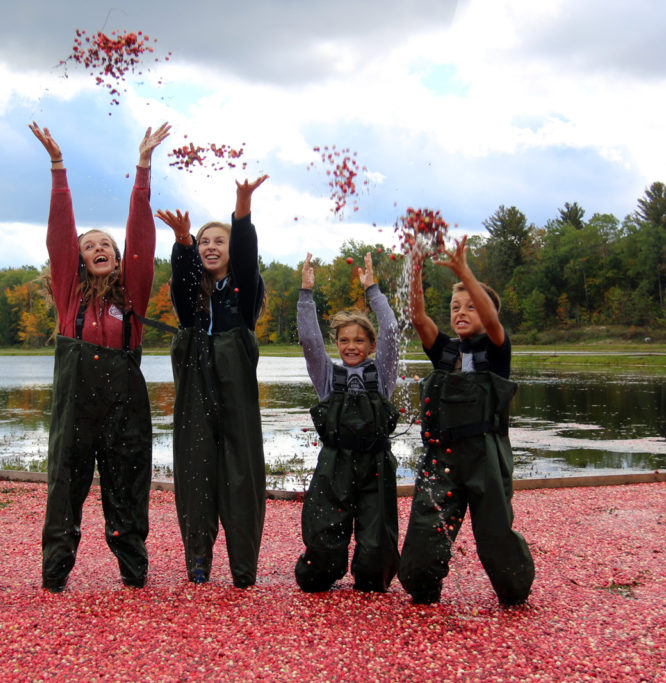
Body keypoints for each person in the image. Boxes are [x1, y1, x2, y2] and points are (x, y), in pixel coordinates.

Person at [30, 120, 170, 592]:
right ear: (80, 258)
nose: (97, 248)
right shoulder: (68, 293)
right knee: (65, 485)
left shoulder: (133, 292)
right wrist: (57, 167)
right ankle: (55, 574)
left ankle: (133, 571)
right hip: (76, 401)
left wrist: (143, 167)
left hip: (124, 401)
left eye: (104, 244)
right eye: (88, 246)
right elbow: (59, 235)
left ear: (115, 253)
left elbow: (141, 235)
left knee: (128, 485)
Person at [398, 236, 535, 606]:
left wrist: (463, 270)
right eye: (456, 306)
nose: (461, 312)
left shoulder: (496, 348)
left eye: (471, 306)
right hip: (441, 456)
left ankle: (514, 591)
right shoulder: (443, 349)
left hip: (486, 455)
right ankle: (423, 587)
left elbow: (492, 320)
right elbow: (417, 316)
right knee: (427, 527)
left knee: (493, 531)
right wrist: (415, 268)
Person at [154, 174, 268, 588]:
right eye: (205, 242)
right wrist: (183, 242)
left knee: (242, 474)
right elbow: (184, 281)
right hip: (195, 394)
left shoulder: (244, 291)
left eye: (217, 241)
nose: (211, 247)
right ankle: (198, 561)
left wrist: (241, 210)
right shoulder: (190, 302)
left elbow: (246, 253)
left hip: (236, 398)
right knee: (195, 469)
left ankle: (243, 567)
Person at [293, 252, 401, 592]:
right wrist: (305, 296)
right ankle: (323, 569)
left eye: (358, 340)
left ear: (371, 344)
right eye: (344, 340)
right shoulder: (327, 375)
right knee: (317, 570)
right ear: (337, 343)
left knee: (374, 572)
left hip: (376, 465)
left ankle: (370, 572)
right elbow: (310, 340)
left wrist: (373, 290)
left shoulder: (382, 373)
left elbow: (393, 331)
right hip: (334, 465)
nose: (351, 347)